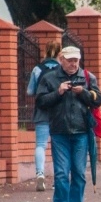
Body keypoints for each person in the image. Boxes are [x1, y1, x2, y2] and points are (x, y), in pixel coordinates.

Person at [36, 46, 101, 202]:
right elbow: (41, 102)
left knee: (79, 171)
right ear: (62, 60)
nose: (74, 64)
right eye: (70, 60)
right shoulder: (49, 78)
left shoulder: (87, 77)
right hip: (59, 131)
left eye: (76, 61)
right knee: (61, 172)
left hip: (81, 131)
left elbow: (98, 100)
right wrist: (58, 92)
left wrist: (84, 93)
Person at [27, 40, 62, 192]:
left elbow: (30, 91)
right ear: (60, 53)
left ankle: (40, 173)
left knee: (41, 144)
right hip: (59, 111)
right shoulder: (62, 69)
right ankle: (57, 178)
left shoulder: (37, 69)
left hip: (42, 110)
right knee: (58, 145)